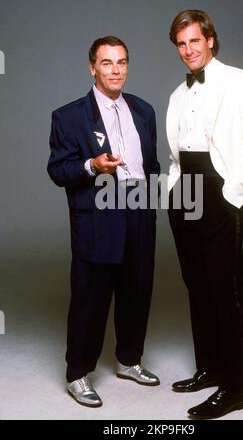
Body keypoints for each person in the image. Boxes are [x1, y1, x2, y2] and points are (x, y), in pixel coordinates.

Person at [166, 10, 243, 420]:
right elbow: (175, 154)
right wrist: (174, 192)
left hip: (222, 192)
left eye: (195, 40)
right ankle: (209, 368)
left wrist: (232, 195)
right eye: (181, 43)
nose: (189, 49)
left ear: (210, 39)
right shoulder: (178, 94)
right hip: (185, 195)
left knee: (224, 290)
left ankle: (235, 387)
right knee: (197, 285)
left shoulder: (242, 82)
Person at [47, 36, 160, 408]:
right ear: (92, 67)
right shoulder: (68, 116)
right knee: (90, 299)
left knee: (136, 292)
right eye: (108, 63)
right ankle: (77, 374)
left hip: (139, 210)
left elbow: (151, 165)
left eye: (122, 62)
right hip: (98, 217)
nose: (116, 70)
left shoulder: (144, 110)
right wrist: (91, 165)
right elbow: (58, 169)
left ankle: (129, 360)